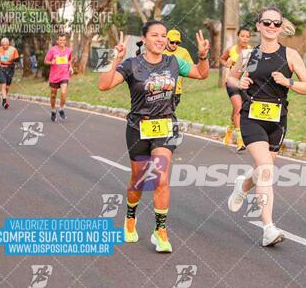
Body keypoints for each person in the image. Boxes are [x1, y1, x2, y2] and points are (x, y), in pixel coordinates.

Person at [98, 21, 210, 253]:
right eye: (155, 35)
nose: (161, 39)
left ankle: (160, 232)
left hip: (166, 125)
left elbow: (201, 73)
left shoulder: (173, 62)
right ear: (145, 39)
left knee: (160, 178)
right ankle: (130, 216)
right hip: (138, 127)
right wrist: (116, 59)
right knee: (139, 180)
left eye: (163, 36)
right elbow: (104, 86)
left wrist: (202, 56)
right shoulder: (131, 64)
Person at [226, 6, 306, 247]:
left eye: (276, 23)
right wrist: (239, 82)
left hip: (277, 120)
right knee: (265, 170)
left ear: (281, 26)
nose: (272, 27)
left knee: (262, 170)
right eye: (267, 23)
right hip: (251, 116)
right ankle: (268, 228)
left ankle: (242, 185)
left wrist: (289, 82)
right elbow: (230, 78)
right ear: (258, 26)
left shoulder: (291, 55)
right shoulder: (247, 55)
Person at [220, 28, 252, 151]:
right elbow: (222, 59)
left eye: (247, 36)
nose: (244, 38)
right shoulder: (231, 50)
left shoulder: (251, 50)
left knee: (237, 110)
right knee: (239, 109)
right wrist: (226, 64)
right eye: (242, 36)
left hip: (245, 84)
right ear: (238, 36)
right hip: (232, 83)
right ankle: (240, 141)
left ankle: (229, 130)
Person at [44, 33, 72, 121]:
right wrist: (51, 62)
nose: (62, 42)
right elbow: (46, 61)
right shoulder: (52, 50)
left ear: (65, 41)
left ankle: (61, 109)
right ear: (57, 41)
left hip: (64, 75)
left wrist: (70, 67)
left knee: (63, 92)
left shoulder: (68, 50)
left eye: (64, 40)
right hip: (54, 76)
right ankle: (53, 111)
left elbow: (69, 60)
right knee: (53, 95)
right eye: (60, 40)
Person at [163, 29, 194, 108]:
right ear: (167, 40)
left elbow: (191, 67)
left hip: (176, 90)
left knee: (169, 112)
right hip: (159, 89)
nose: (174, 45)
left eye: (177, 43)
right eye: (172, 42)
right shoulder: (160, 51)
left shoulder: (184, 52)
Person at [0, 38, 19, 109]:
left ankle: (4, 97)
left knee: (7, 87)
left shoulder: (13, 49)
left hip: (10, 68)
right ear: (1, 44)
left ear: (9, 44)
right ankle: (5, 102)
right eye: (4, 44)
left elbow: (17, 59)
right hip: (1, 68)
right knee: (3, 85)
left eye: (7, 44)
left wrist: (11, 59)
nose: (5, 46)